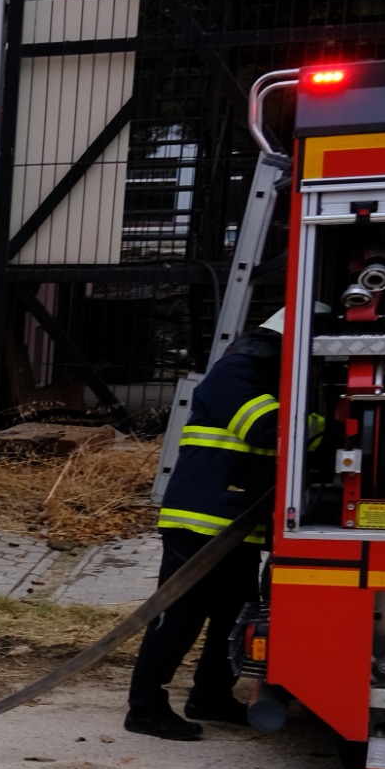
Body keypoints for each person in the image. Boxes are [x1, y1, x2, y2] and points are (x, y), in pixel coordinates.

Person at [126, 308, 304, 741]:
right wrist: (325, 423)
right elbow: (267, 428)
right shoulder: (238, 372)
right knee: (180, 614)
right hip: (200, 522)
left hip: (236, 523)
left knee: (234, 613)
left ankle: (210, 696)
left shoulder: (267, 374)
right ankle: (145, 707)